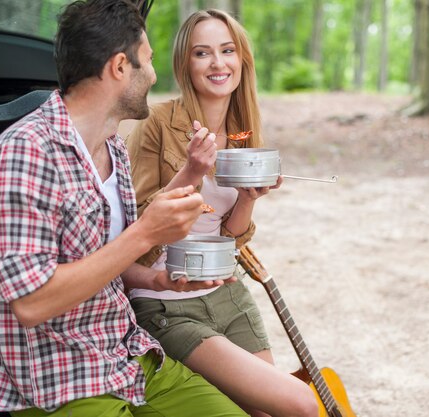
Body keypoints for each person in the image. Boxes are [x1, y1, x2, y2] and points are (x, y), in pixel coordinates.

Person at [0, 1, 249, 416]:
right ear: (121, 66)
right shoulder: (25, 153)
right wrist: (144, 234)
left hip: (128, 358)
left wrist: (157, 281)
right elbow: (31, 303)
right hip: (56, 380)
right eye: (149, 61)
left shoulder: (113, 148)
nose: (155, 75)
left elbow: (106, 259)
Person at [125, 9, 318, 417]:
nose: (218, 63)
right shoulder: (158, 122)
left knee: (267, 409)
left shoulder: (244, 129)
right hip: (165, 298)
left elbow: (230, 238)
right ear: (184, 63)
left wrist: (248, 198)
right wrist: (191, 171)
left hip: (227, 291)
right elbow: (135, 222)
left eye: (227, 50)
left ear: (242, 59)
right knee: (297, 405)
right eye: (202, 53)